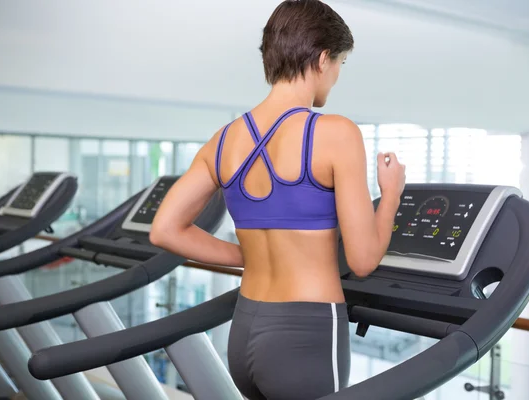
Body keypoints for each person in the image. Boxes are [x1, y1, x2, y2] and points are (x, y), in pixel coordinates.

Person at [150, 0, 406, 398]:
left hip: (246, 329)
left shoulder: (225, 140)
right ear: (323, 59)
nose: (337, 76)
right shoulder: (336, 133)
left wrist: (244, 255)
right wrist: (390, 195)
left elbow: (165, 230)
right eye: (340, 64)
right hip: (306, 336)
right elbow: (362, 260)